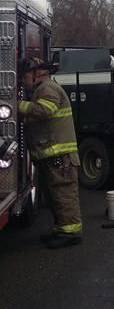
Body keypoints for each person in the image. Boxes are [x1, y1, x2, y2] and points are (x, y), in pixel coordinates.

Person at [19, 58, 82, 249]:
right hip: (52, 155)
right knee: (55, 196)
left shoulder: (47, 88)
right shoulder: (42, 88)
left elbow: (44, 110)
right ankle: (61, 229)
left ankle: (71, 233)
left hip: (59, 156)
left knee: (63, 195)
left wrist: (17, 105)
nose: (23, 80)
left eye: (25, 76)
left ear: (37, 73)